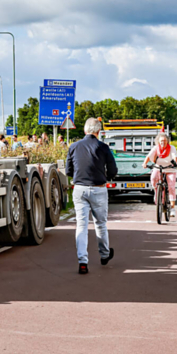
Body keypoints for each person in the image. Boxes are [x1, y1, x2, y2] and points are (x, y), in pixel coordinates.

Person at [66, 117, 119, 274]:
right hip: (98, 189)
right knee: (100, 224)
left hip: (79, 189)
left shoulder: (74, 146)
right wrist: (107, 176)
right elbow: (113, 170)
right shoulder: (103, 147)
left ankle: (83, 261)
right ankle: (104, 255)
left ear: (84, 130)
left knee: (81, 225)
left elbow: (69, 170)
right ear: (98, 131)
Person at [145, 132, 177, 217]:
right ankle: (157, 193)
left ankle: (172, 208)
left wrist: (175, 163)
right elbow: (149, 156)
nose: (163, 142)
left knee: (171, 186)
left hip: (170, 169)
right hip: (158, 167)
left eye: (164, 140)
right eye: (161, 141)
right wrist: (144, 163)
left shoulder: (172, 148)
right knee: (153, 178)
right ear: (158, 142)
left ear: (167, 141)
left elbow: (175, 156)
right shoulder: (156, 148)